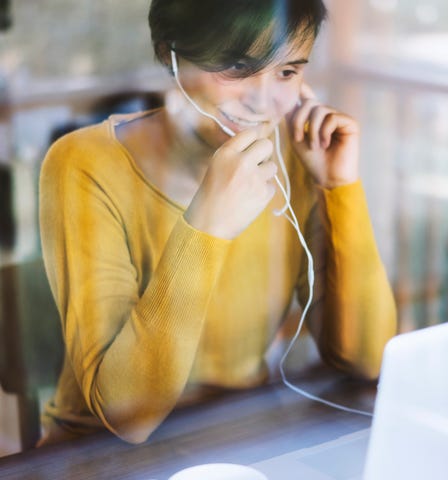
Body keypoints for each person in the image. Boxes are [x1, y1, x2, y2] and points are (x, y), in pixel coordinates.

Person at [38, 0, 397, 446]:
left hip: (242, 436)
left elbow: (369, 359)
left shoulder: (296, 157)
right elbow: (129, 418)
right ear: (169, 53)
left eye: (287, 72)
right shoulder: (84, 163)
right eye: (237, 67)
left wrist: (339, 189)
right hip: (98, 456)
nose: (263, 99)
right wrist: (206, 226)